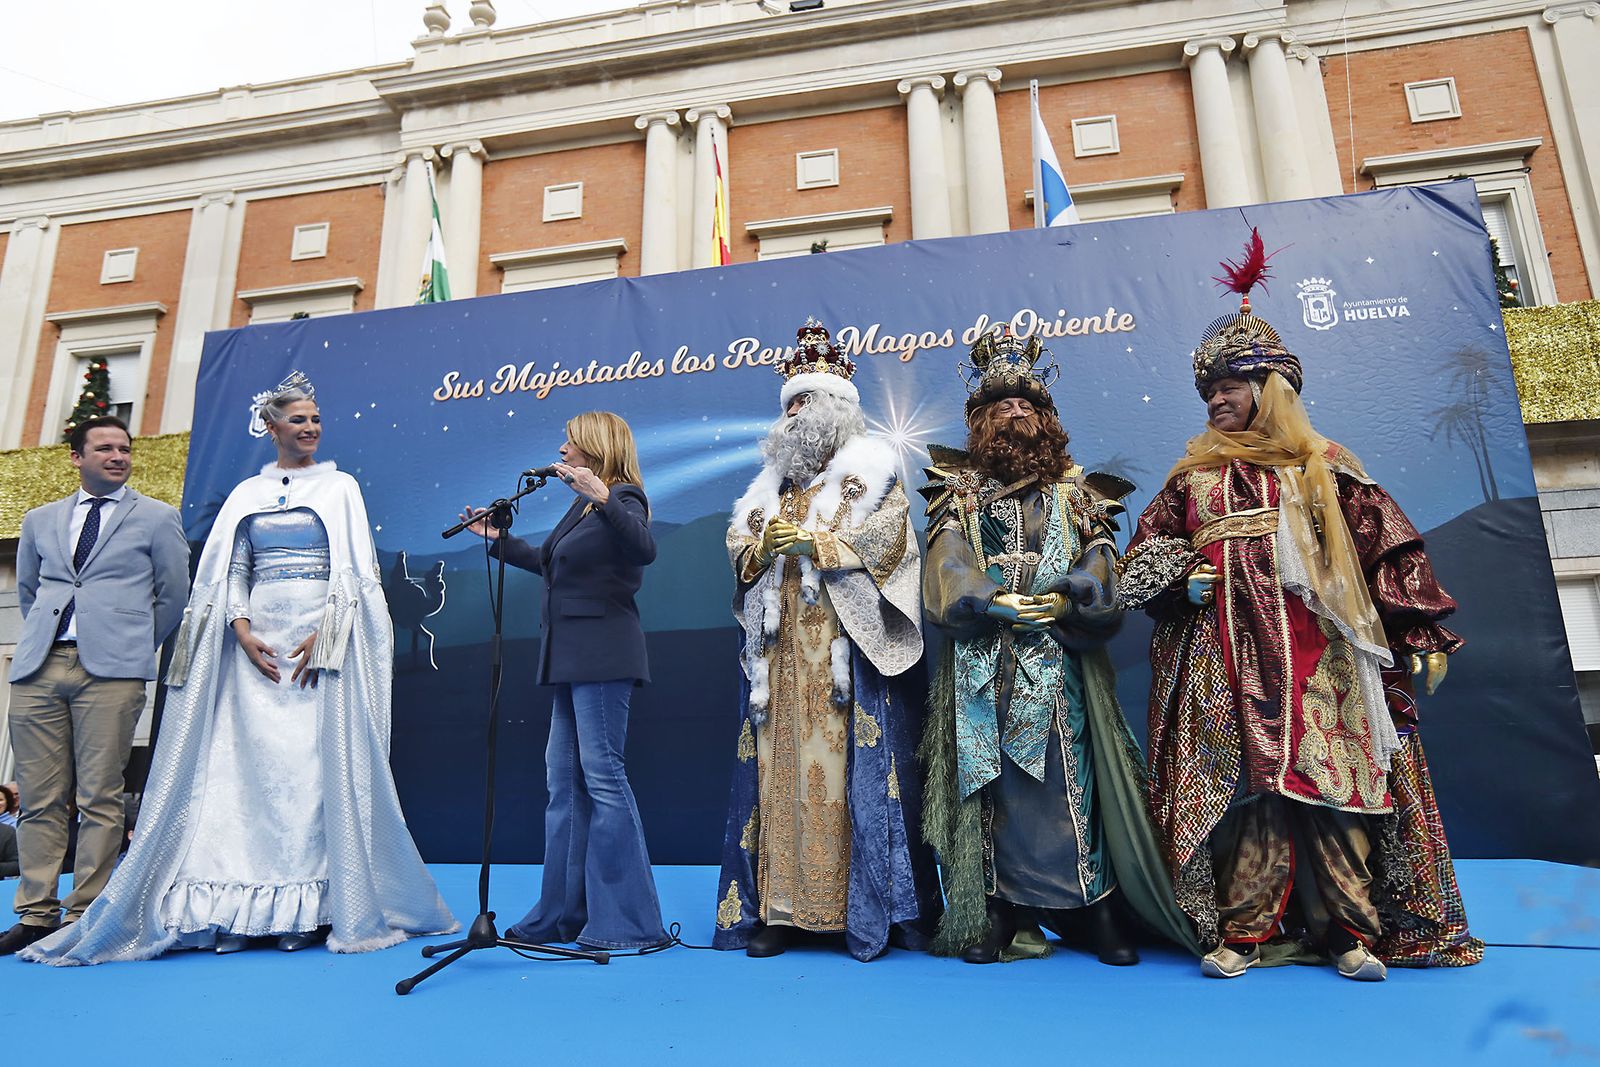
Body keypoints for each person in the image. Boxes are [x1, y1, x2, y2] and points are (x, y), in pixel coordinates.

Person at [1119, 232, 1483, 980]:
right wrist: (1180, 579)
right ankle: (1244, 932)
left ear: (1271, 387)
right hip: (1220, 656)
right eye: (1208, 391)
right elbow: (1141, 557)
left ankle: (1350, 934)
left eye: (1230, 385)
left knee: (1334, 790)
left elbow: (1385, 543)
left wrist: (1420, 629)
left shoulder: (1327, 465)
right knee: (1245, 796)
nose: (1216, 400)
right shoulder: (1192, 479)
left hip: (1321, 653)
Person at [24, 372, 457, 964]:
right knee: (246, 774)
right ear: (272, 427)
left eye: (316, 419)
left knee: (308, 775)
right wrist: (241, 628)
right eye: (298, 419)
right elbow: (232, 568)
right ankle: (236, 908)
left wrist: (327, 635)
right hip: (254, 653)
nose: (310, 428)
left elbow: (354, 571)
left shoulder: (341, 488)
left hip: (317, 654)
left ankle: (309, 908)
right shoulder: (246, 494)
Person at [919, 328, 1198, 965]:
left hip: (1059, 659)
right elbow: (946, 565)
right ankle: (1002, 910)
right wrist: (990, 599)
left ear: (1046, 418)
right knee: (992, 786)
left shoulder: (1079, 494)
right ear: (980, 421)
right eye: (1001, 406)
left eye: (1027, 404)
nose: (1015, 414)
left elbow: (1102, 563)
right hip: (984, 659)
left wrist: (1071, 597)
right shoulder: (955, 491)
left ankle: (1095, 908)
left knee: (1071, 779)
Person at [713, 318, 940, 961]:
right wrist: (764, 549)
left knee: (845, 777)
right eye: (789, 406)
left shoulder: (872, 479)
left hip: (844, 659)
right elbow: (739, 550)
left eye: (806, 403)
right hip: (780, 663)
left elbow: (892, 546)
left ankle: (853, 909)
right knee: (777, 775)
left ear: (838, 409)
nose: (795, 415)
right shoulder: (766, 493)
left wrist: (818, 544)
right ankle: (780, 911)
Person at [460, 411, 668, 952]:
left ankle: (627, 925)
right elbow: (554, 564)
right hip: (568, 657)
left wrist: (603, 497)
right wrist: (499, 540)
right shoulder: (581, 507)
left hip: (603, 654)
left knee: (603, 779)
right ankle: (560, 915)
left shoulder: (623, 498)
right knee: (563, 787)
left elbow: (644, 548)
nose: (561, 449)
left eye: (570, 441)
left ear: (595, 446)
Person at [1, 416, 189, 957]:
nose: (118, 456)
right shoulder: (39, 519)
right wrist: (49, 637)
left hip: (111, 673)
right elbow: (31, 590)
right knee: (38, 798)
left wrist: (132, 646)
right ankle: (35, 915)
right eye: (104, 447)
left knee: (100, 797)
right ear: (76, 457)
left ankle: (84, 914)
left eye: (124, 448)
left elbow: (173, 594)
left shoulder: (157, 517)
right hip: (40, 666)